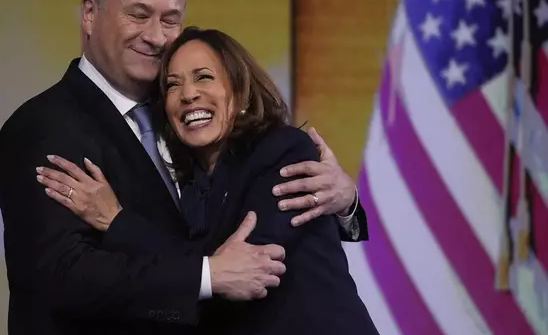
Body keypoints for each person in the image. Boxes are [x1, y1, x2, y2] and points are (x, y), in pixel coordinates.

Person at [0, 0, 366, 334]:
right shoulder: (43, 125)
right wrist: (207, 275)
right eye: (138, 14)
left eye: (170, 20)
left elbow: (246, 246)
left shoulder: (191, 125)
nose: (156, 36)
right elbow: (62, 273)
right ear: (90, 15)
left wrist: (345, 203)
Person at [37, 27, 378, 334]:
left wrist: (116, 220)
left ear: (240, 93)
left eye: (203, 77)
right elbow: (205, 270)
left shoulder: (284, 150)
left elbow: (240, 267)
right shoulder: (187, 186)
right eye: (172, 84)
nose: (188, 94)